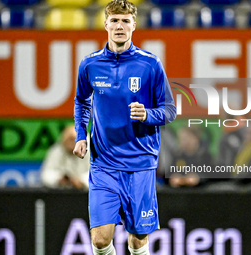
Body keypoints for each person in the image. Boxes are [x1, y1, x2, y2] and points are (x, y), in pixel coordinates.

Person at [73, 1, 177, 254]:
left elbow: (170, 111)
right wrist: (80, 135)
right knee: (99, 239)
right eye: (115, 20)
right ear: (106, 24)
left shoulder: (150, 64)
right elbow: (81, 101)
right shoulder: (90, 65)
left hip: (140, 163)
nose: (120, 26)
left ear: (134, 25)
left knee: (138, 239)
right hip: (103, 164)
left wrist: (148, 114)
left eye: (125, 21)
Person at [40, 125, 89, 189]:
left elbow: (99, 176)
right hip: (61, 194)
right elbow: (45, 175)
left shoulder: (93, 151)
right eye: (69, 140)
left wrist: (81, 181)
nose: (71, 145)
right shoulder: (57, 150)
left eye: (74, 140)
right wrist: (59, 179)